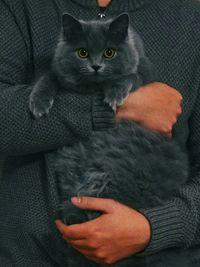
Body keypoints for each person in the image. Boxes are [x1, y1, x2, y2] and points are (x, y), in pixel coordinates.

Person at [0, 0, 199, 266]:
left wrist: (154, 227)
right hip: (26, 255)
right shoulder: (18, 6)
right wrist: (115, 111)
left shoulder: (191, 14)